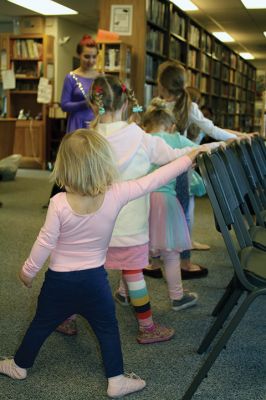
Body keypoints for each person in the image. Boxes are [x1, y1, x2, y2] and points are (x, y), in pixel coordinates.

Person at [0, 129, 203, 397]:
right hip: (94, 282)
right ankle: (116, 380)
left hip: (59, 282)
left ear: (65, 167)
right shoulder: (116, 193)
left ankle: (19, 365)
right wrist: (189, 158)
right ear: (105, 164)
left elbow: (44, 242)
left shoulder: (58, 202)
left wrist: (28, 272)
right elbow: (154, 179)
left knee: (41, 323)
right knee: (107, 329)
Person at [88, 75, 209, 341]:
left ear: (94, 104)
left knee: (86, 274)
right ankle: (147, 327)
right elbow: (174, 156)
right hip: (131, 227)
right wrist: (202, 149)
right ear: (125, 105)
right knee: (134, 275)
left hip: (94, 225)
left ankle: (68, 318)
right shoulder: (142, 139)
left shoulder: (88, 138)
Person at [144, 60, 248, 280]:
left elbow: (143, 123)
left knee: (151, 210)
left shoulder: (156, 103)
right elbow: (213, 130)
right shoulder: (189, 106)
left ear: (161, 85)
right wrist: (240, 136)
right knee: (182, 214)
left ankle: (152, 261)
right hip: (180, 166)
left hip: (156, 165)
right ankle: (184, 262)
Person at [46, 34, 99, 202]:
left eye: (93, 56)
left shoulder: (101, 77)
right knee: (75, 162)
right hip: (76, 124)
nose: (90, 60)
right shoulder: (71, 77)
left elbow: (104, 103)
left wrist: (103, 113)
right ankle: (65, 197)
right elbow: (64, 105)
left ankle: (90, 196)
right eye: (86, 56)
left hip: (96, 124)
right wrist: (85, 103)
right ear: (79, 56)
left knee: (93, 161)